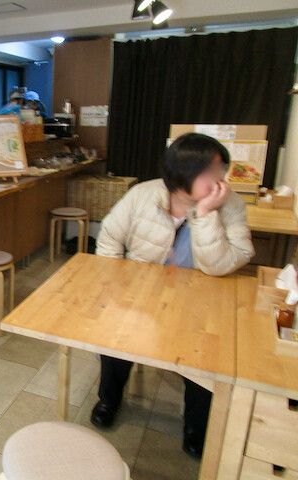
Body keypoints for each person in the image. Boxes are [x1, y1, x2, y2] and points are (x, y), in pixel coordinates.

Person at [91, 133, 255, 459]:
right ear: (181, 174)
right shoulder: (143, 194)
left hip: (200, 301)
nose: (220, 180)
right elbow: (109, 237)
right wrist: (116, 283)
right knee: (115, 341)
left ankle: (195, 426)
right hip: (141, 293)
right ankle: (109, 399)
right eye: (210, 172)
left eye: (221, 171)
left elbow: (224, 264)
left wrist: (206, 213)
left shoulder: (231, 205)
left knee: (206, 360)